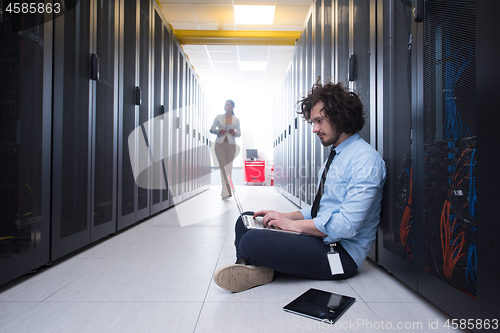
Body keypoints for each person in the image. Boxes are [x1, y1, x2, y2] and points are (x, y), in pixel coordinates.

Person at [213, 80, 386, 293]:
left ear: (340, 116)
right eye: (313, 122)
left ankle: (252, 262)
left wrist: (291, 226)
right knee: (247, 220)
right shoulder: (337, 155)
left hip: (339, 253)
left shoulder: (365, 160)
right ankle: (251, 266)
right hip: (320, 238)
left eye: (319, 121)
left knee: (251, 241)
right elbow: (320, 211)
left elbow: (346, 225)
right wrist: (284, 216)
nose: (315, 129)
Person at [210, 100, 241, 199]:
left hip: (231, 145)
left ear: (232, 107)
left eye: (227, 104)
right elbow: (212, 129)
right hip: (220, 145)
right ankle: (228, 190)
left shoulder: (236, 120)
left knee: (229, 168)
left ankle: (226, 191)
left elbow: (239, 134)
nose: (225, 106)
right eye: (225, 104)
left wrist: (233, 133)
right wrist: (219, 131)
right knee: (223, 167)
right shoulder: (218, 117)